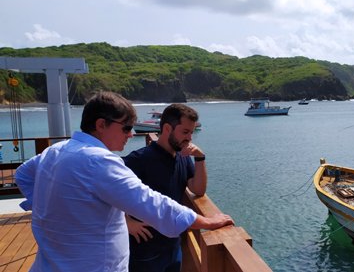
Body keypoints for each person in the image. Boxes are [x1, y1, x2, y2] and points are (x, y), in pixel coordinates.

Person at [15, 91, 233, 272]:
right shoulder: (98, 161)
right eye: (127, 127)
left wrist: (48, 209)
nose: (132, 134)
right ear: (101, 125)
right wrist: (206, 222)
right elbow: (151, 202)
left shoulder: (57, 149)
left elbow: (23, 175)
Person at [123, 103, 206, 272]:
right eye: (185, 132)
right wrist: (127, 223)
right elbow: (109, 193)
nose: (190, 138)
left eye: (191, 132)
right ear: (167, 128)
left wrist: (200, 158)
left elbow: (198, 190)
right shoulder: (138, 160)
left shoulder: (183, 157)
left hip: (173, 246)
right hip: (145, 252)